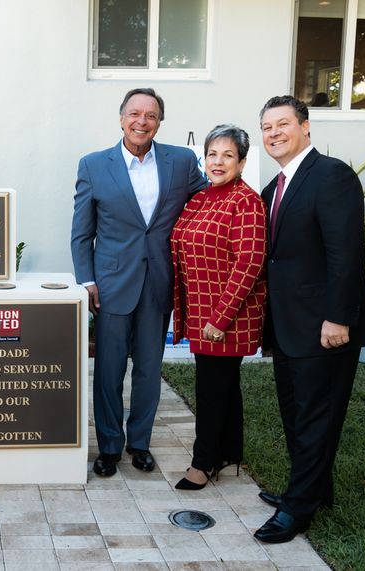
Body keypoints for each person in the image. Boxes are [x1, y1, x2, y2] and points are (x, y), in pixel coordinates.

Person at [253, 95, 365, 543]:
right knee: (296, 414)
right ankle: (313, 488)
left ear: (306, 127)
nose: (274, 134)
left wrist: (338, 319)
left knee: (316, 417)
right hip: (288, 327)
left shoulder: (331, 176)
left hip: (326, 326)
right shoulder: (273, 190)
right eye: (266, 127)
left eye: (282, 124)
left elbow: (346, 253)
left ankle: (297, 509)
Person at [71, 88, 206, 477]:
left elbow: (205, 200)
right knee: (110, 369)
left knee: (149, 367)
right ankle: (110, 446)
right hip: (112, 283)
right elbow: (82, 232)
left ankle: (140, 443)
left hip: (159, 279)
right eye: (134, 114)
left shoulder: (180, 162)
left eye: (150, 115)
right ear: (121, 118)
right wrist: (88, 279)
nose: (141, 121)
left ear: (159, 121)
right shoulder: (95, 165)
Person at [169, 125, 267, 490]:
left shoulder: (246, 201)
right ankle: (229, 452)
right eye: (213, 154)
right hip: (200, 312)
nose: (218, 161)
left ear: (242, 162)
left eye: (228, 155)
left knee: (211, 390)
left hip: (226, 317)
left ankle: (203, 462)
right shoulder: (201, 198)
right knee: (224, 385)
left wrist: (220, 318)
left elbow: (250, 262)